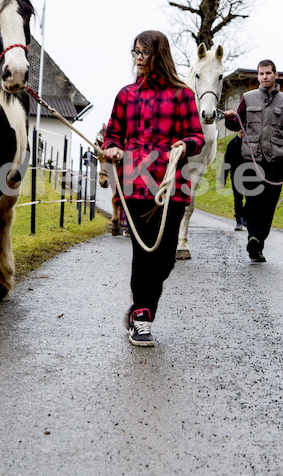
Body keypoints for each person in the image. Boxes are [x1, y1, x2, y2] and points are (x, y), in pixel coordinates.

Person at [102, 31, 205, 346]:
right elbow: (113, 134)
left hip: (172, 185)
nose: (137, 57)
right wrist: (113, 149)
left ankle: (139, 308)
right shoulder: (126, 95)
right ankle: (142, 317)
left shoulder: (183, 95)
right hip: (135, 186)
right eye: (134, 51)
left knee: (165, 258)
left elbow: (197, 137)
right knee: (143, 254)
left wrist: (183, 144)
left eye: (143, 52)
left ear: (158, 55)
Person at [224, 60, 283, 263]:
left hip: (276, 161)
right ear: (257, 76)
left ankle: (259, 240)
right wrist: (228, 118)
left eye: (268, 73)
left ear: (275, 75)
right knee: (252, 202)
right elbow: (236, 124)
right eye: (261, 73)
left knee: (268, 206)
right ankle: (253, 238)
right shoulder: (247, 98)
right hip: (250, 159)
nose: (265, 77)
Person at [221, 129, 246, 230]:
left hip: (250, 174)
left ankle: (245, 217)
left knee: (251, 198)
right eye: (241, 132)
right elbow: (226, 162)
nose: (243, 134)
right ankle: (239, 220)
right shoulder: (232, 143)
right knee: (238, 198)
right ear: (238, 131)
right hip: (236, 175)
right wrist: (223, 180)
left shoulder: (250, 144)